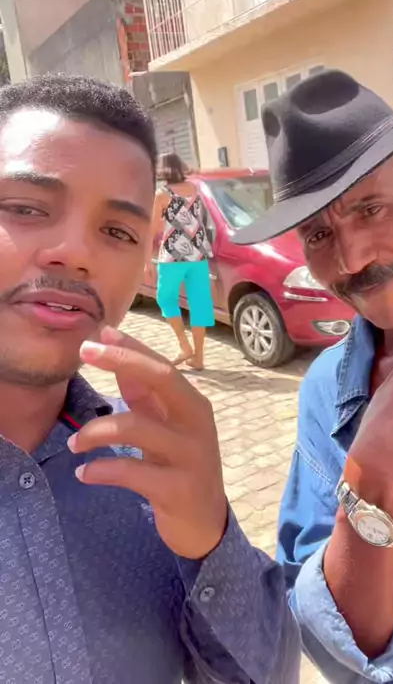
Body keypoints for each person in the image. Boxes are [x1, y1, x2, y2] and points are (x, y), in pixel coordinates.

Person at [0, 73, 300, 684]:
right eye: (26, 208)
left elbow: (268, 674)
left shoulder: (150, 461)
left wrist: (209, 538)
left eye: (118, 231)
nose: (75, 253)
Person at [233, 67, 393, 683]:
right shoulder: (329, 394)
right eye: (319, 234)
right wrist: (377, 480)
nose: (351, 259)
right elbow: (340, 646)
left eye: (371, 208)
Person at [152, 152, 214, 370]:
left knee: (165, 298)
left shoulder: (162, 194)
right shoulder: (194, 188)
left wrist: (146, 260)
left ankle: (185, 347)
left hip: (173, 255)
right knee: (200, 303)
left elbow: (154, 228)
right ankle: (199, 358)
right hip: (198, 253)